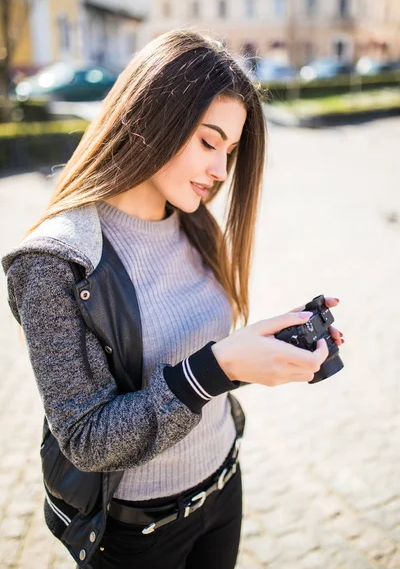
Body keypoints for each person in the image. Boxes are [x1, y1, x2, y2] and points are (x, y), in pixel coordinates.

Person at [1, 30, 344, 569]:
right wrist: (218, 366)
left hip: (224, 486)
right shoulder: (55, 262)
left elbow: (199, 361)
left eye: (230, 151)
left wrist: (260, 353)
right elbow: (87, 438)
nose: (221, 172)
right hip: (139, 536)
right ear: (149, 116)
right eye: (208, 143)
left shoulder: (195, 224)